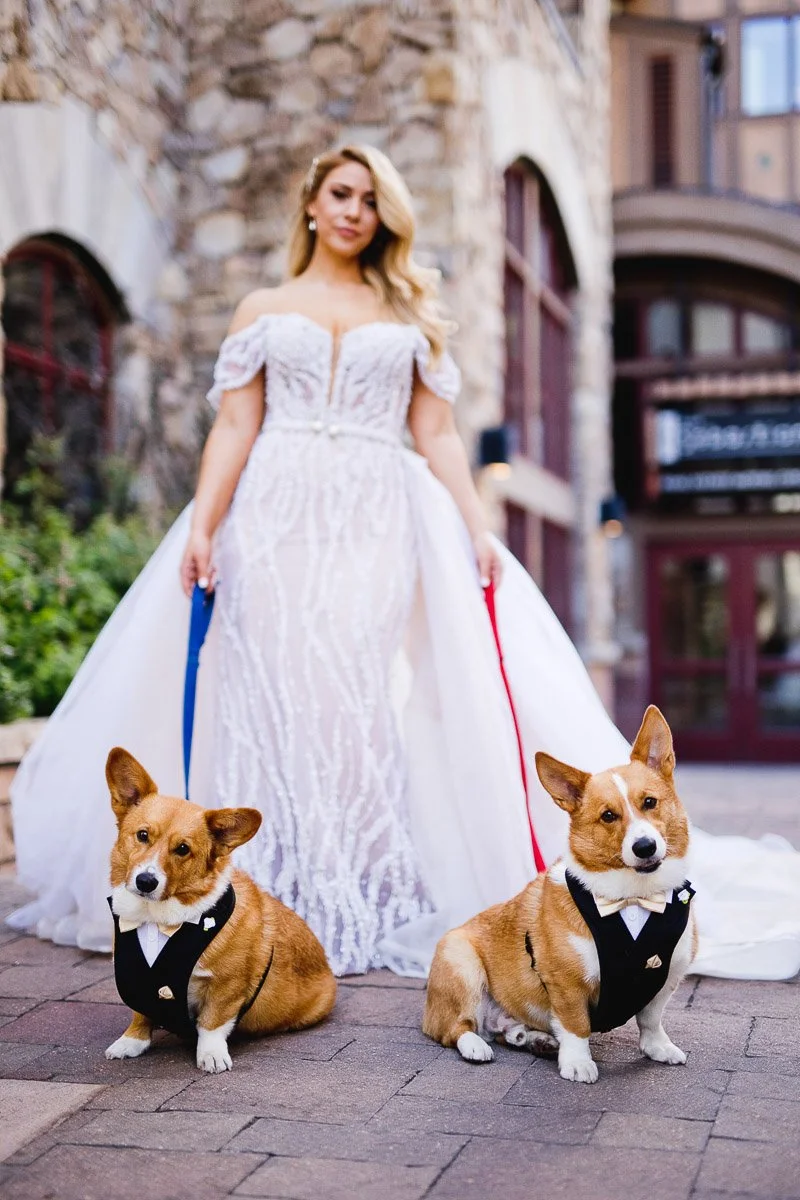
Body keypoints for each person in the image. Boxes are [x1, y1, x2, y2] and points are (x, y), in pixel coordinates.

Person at [8, 147, 800, 982]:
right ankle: (258, 886)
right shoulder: (263, 307)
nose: (355, 210)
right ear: (311, 203)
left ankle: (354, 877)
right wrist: (204, 524)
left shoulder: (410, 312)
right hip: (271, 516)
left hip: (375, 520)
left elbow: (436, 434)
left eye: (371, 199)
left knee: (351, 695)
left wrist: (476, 527)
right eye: (341, 194)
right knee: (268, 690)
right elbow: (235, 425)